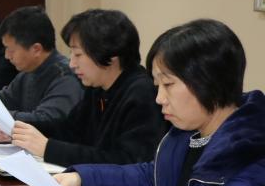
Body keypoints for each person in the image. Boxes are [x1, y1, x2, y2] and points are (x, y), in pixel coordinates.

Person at [55, 19, 265, 186]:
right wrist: (84, 179)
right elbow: (151, 176)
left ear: (207, 81)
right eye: (157, 86)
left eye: (168, 85)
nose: (159, 99)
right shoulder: (189, 133)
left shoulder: (249, 148)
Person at [11, 9, 166, 166]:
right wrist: (19, 131)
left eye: (78, 55)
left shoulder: (142, 94)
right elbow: (69, 130)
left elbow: (126, 161)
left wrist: (47, 148)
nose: (72, 64)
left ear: (110, 55)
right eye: (71, 54)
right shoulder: (97, 88)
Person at [0, 6, 82, 127]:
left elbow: (46, 120)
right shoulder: (27, 72)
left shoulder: (65, 77)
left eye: (11, 50)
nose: (7, 56)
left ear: (36, 49)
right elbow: (3, 99)